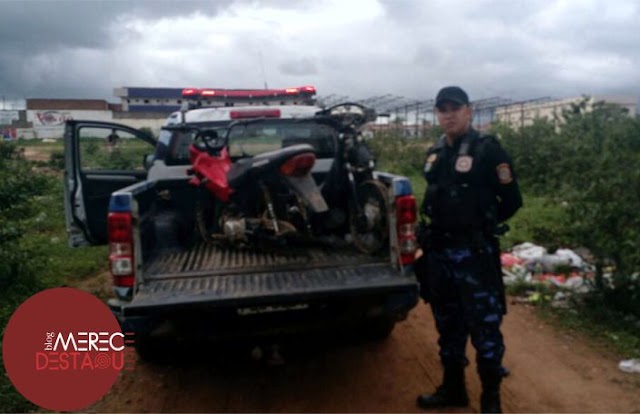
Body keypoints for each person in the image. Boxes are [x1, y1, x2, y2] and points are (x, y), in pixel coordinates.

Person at [415, 86, 522, 413]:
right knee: (448, 324)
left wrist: (480, 225)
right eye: (442, 109)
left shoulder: (489, 150)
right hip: (441, 255)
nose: (448, 114)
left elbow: (513, 201)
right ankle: (453, 388)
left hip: (475, 256)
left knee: (485, 328)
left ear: (469, 111)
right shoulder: (436, 152)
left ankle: (491, 400)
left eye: (454, 108)